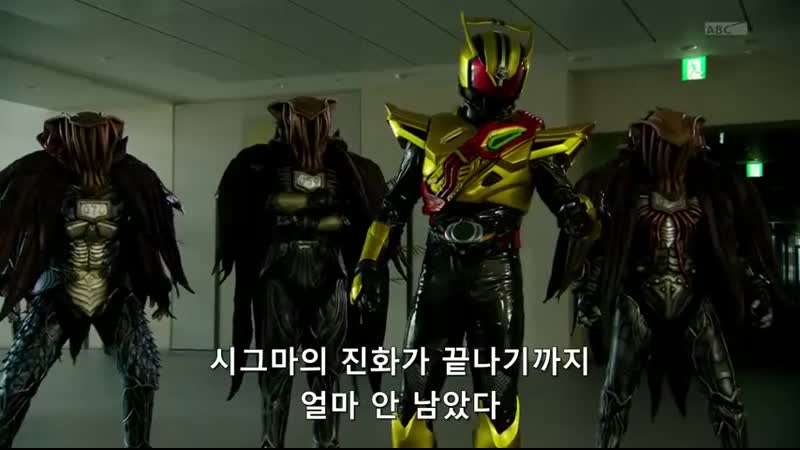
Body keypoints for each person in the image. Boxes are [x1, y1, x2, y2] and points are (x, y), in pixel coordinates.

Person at [350, 12, 599, 449]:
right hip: (440, 272)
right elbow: (393, 205)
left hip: (496, 272)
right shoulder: (431, 133)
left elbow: (563, 199)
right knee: (413, 399)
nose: (495, 98)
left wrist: (579, 215)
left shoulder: (531, 137)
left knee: (498, 405)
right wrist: (369, 262)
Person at [546, 108, 784, 448]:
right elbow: (605, 250)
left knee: (728, 398)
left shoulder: (709, 195)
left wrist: (756, 288)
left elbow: (730, 252)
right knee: (615, 398)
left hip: (693, 301)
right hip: (637, 302)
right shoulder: (622, 192)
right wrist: (588, 293)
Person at [215, 96, 406, 448]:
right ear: (285, 121)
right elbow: (254, 211)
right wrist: (313, 208)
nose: (308, 128)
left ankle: (327, 442)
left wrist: (304, 212)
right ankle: (272, 442)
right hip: (279, 274)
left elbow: (360, 218)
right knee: (276, 370)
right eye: (299, 120)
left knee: (327, 372)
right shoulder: (260, 164)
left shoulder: (351, 168)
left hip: (329, 274)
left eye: (316, 120)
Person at [0, 112, 192, 448]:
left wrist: (156, 285)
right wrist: (11, 281)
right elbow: (12, 225)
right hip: (59, 291)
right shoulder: (38, 173)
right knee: (17, 379)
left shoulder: (133, 175)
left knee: (143, 375)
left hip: (113, 290)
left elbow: (150, 232)